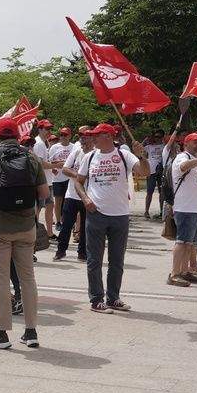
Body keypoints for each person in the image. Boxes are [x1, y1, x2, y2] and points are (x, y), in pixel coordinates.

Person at [0, 117, 50, 348]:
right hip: (26, 226)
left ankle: (1, 333)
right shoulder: (31, 157)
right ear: (17, 136)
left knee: (1, 281)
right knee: (28, 279)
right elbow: (44, 193)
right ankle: (31, 331)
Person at [64, 123, 147, 312]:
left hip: (120, 215)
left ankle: (113, 298)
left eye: (96, 135)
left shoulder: (124, 155)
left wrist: (142, 156)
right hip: (96, 214)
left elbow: (144, 172)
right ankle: (96, 299)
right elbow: (79, 182)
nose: (92, 138)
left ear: (108, 136)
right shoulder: (89, 157)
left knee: (117, 261)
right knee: (94, 260)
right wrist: (85, 199)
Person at [166, 132, 197, 287]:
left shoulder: (195, 160)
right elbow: (183, 167)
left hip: (195, 207)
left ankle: (184, 271)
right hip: (185, 207)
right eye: (195, 142)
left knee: (190, 243)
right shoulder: (182, 157)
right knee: (182, 241)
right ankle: (174, 274)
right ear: (186, 144)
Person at [54, 127, 91, 261]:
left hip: (88, 196)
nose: (83, 140)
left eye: (85, 138)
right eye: (81, 137)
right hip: (72, 194)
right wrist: (78, 175)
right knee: (66, 225)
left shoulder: (95, 154)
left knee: (85, 227)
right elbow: (65, 169)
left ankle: (82, 253)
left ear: (92, 139)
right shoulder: (76, 152)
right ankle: (61, 251)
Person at [142, 131, 166, 219]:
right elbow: (139, 149)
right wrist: (146, 140)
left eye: (159, 137)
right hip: (151, 171)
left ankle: (162, 212)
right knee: (149, 192)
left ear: (162, 137)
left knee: (162, 192)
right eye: (155, 137)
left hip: (161, 171)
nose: (157, 138)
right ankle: (146, 211)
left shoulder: (165, 147)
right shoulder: (149, 147)